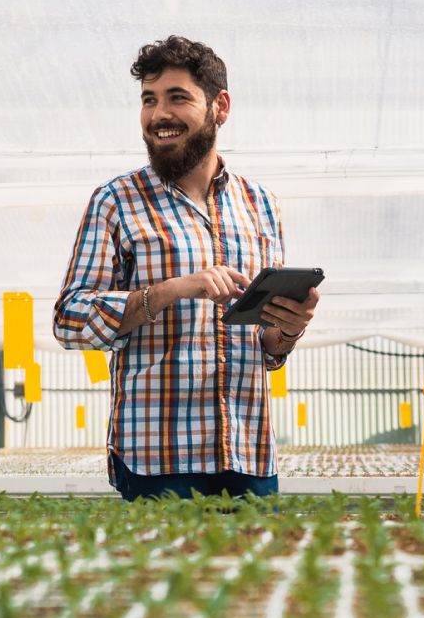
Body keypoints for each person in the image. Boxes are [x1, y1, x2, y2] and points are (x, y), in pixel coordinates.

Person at [53, 35, 316, 502]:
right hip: (158, 460)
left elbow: (266, 348)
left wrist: (288, 331)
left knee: (257, 575)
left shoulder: (260, 205)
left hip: (249, 454)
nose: (159, 115)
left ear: (220, 107)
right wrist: (171, 289)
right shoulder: (117, 202)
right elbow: (70, 320)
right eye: (149, 100)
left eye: (178, 98)